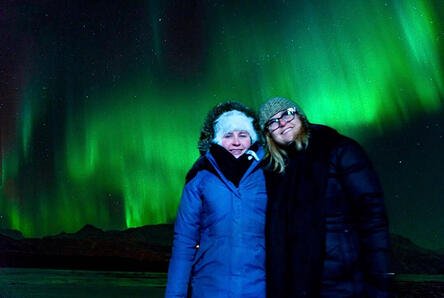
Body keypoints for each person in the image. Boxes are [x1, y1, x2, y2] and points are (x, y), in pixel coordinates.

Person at [259, 97, 393, 297]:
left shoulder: (340, 150)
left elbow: (373, 220)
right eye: (272, 121)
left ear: (300, 115)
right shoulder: (275, 174)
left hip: (344, 283)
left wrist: (381, 285)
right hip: (298, 286)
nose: (282, 123)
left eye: (287, 113)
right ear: (268, 133)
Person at [165, 101, 267, 297]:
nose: (236, 142)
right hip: (209, 287)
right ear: (217, 140)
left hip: (259, 288)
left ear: (252, 138)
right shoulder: (200, 178)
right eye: (228, 135)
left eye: (243, 135)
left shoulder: (269, 175)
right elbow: (184, 242)